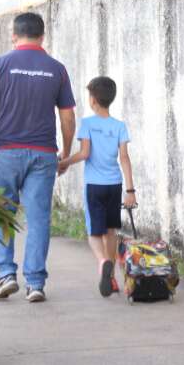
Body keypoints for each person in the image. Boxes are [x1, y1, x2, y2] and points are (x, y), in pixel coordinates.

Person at [0, 12, 76, 303]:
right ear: (43, 36)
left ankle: (5, 275)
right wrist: (65, 151)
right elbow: (67, 116)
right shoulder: (57, 69)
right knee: (39, 218)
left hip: (6, 152)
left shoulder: (0, 66)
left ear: (13, 36)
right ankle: (36, 283)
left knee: (1, 214)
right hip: (43, 153)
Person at [59, 76, 136, 297]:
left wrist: (63, 163)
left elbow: (84, 154)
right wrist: (130, 191)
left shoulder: (88, 124)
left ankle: (103, 263)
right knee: (111, 230)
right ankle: (111, 278)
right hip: (115, 185)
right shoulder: (119, 126)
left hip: (94, 185)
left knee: (94, 232)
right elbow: (125, 158)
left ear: (93, 100)